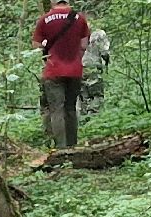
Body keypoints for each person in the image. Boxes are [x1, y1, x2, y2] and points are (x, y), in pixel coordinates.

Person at [32, 0, 90, 149]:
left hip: (53, 71)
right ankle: (73, 147)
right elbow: (84, 45)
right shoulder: (80, 19)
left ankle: (61, 148)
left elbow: (36, 46)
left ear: (52, 1)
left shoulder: (44, 20)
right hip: (75, 71)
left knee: (56, 109)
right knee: (70, 108)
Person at [79, 24, 110, 113]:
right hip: (94, 67)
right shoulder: (99, 34)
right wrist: (106, 65)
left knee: (83, 95)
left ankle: (84, 119)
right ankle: (94, 115)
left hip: (79, 67)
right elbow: (105, 53)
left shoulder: (75, 33)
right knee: (97, 94)